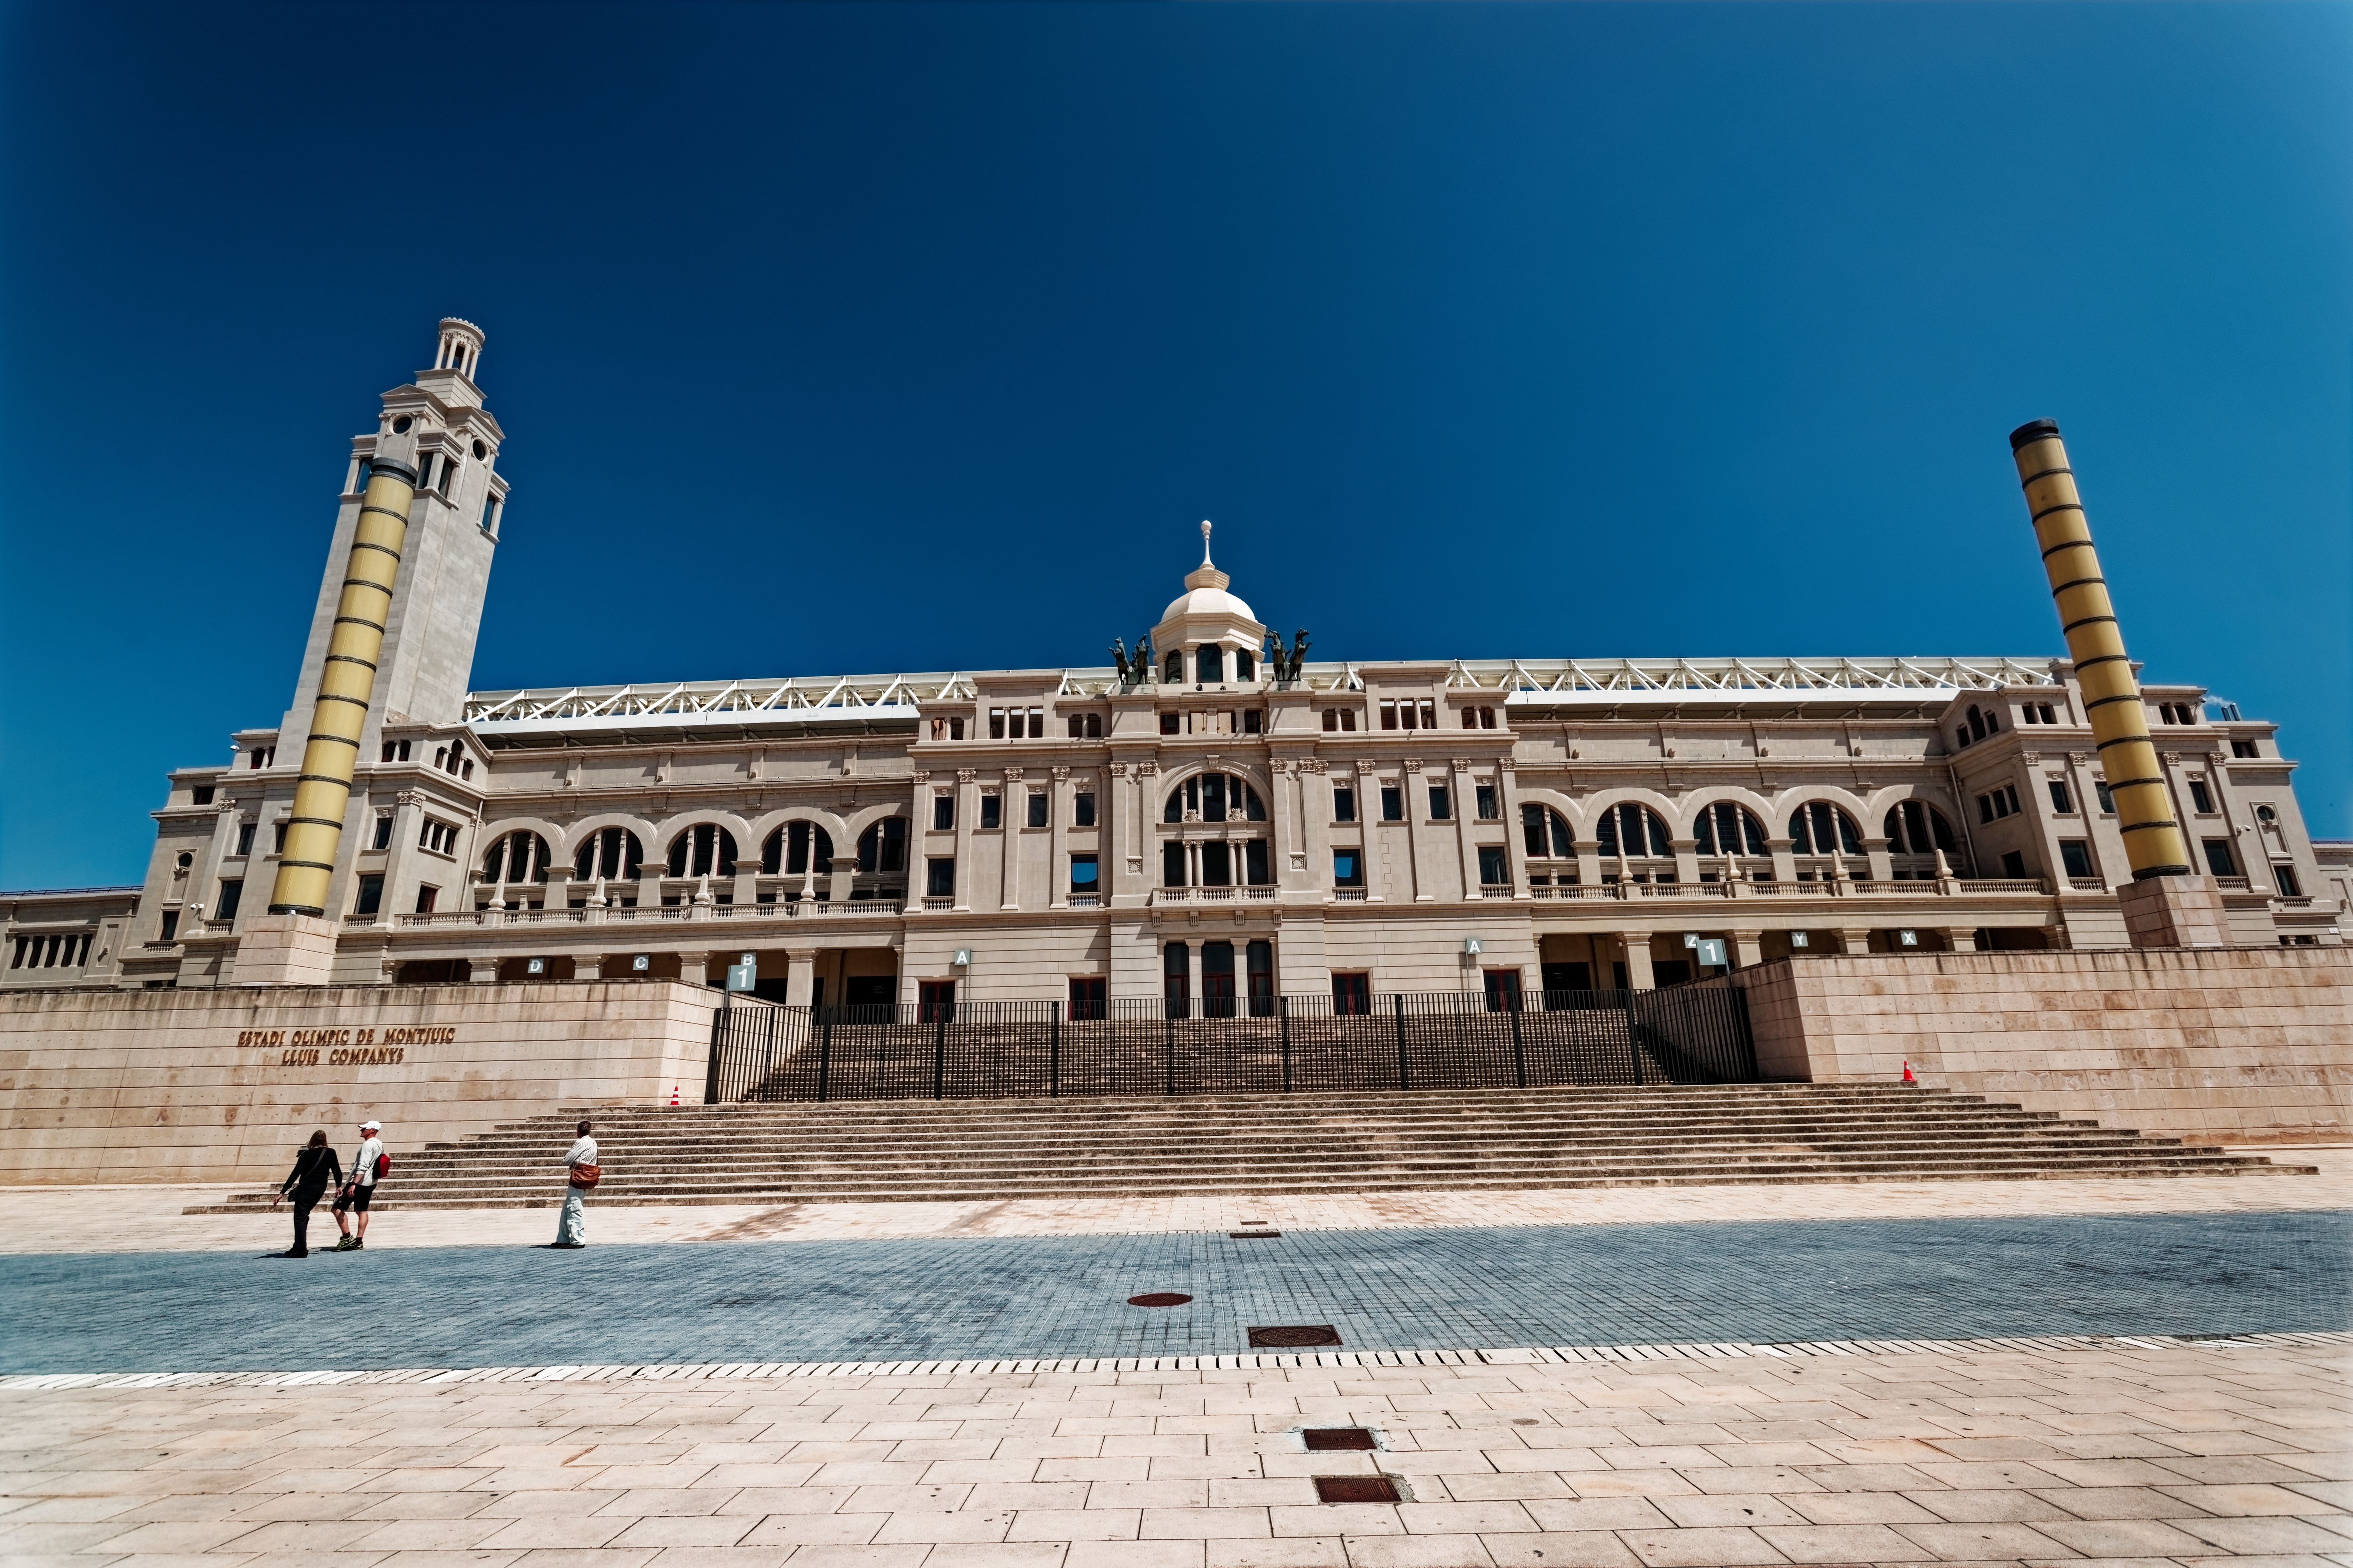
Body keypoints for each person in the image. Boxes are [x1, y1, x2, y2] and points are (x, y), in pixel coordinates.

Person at [269, 1130, 340, 1258]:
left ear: (312, 1140)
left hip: (307, 1188)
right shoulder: (331, 1152)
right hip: (321, 1188)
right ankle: (297, 1246)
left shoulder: (307, 1155)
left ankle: (301, 1250)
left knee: (300, 1217)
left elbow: (295, 1174)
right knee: (304, 1215)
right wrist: (339, 1186)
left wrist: (282, 1192)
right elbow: (337, 1171)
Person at [332, 1119, 385, 1251]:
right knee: (362, 1210)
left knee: (337, 1207)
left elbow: (363, 1166)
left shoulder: (368, 1144)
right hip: (371, 1182)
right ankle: (359, 1241)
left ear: (373, 1130)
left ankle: (347, 1238)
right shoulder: (379, 1143)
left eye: (365, 1129)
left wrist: (354, 1184)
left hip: (361, 1182)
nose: (362, 1130)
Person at [554, 1119, 596, 1249]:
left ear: (578, 1131)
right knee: (568, 1207)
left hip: (579, 1177)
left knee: (575, 1207)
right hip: (588, 1176)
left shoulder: (581, 1143)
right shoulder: (593, 1143)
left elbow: (567, 1160)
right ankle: (563, 1238)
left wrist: (574, 1162)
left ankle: (578, 1240)